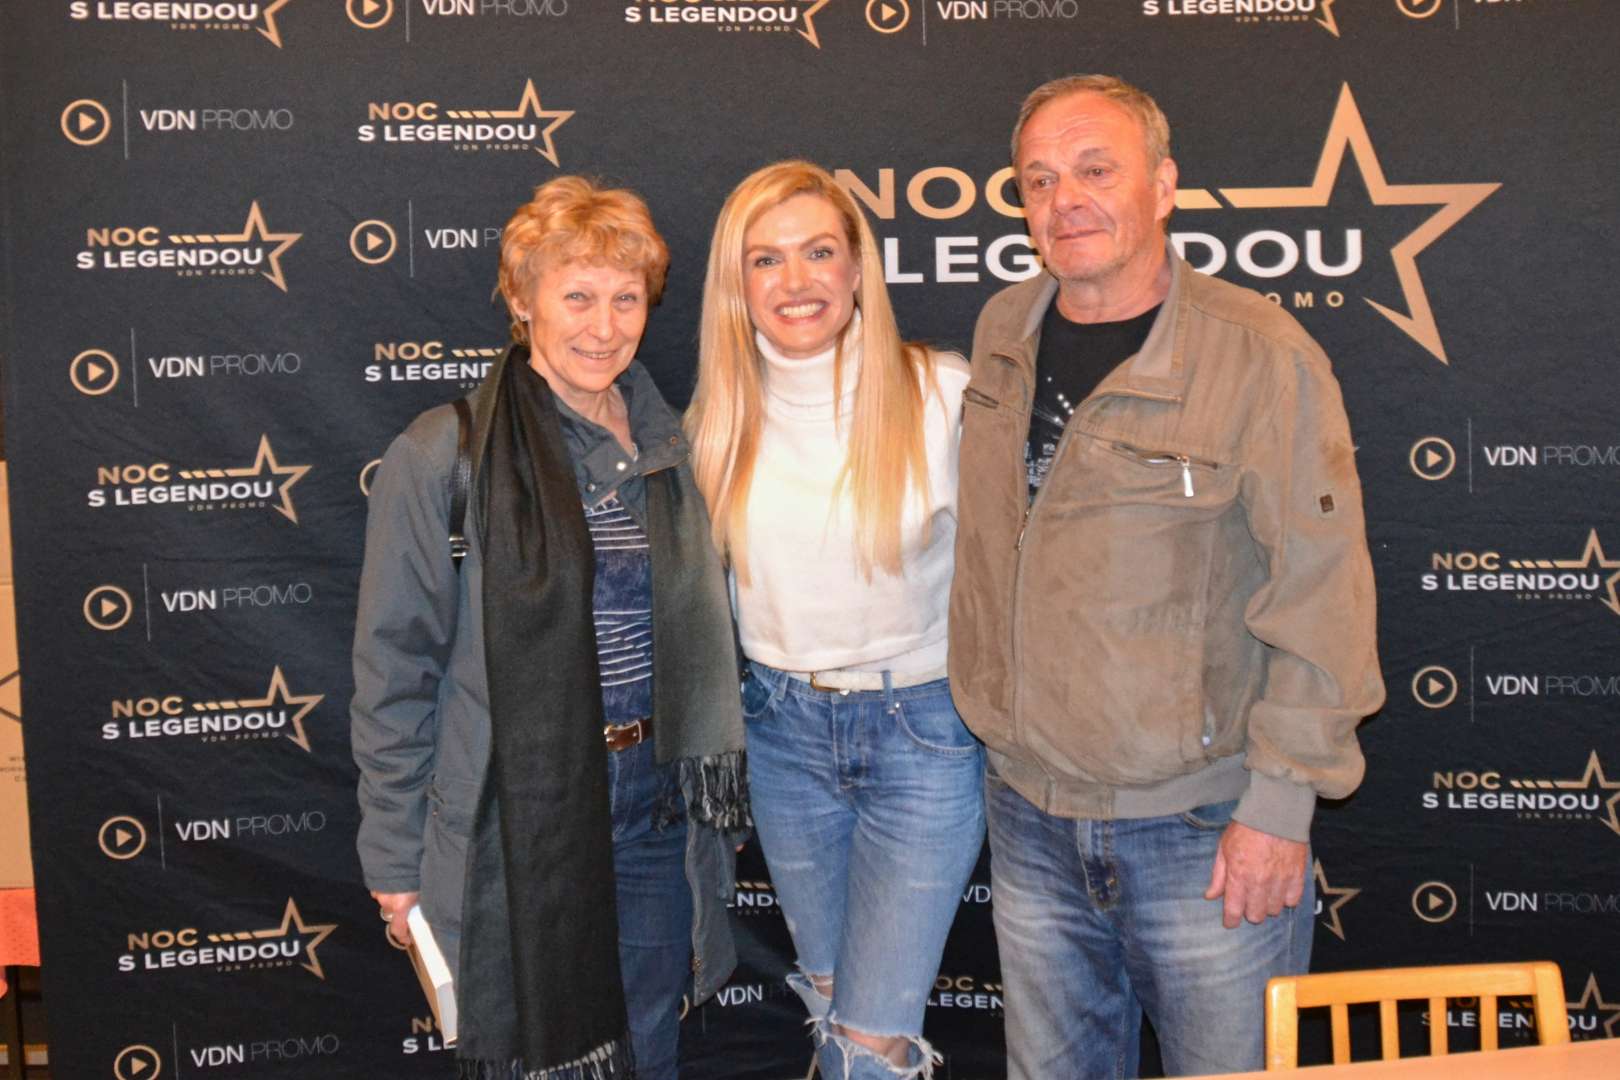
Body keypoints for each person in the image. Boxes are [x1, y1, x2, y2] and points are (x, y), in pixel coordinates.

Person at [949, 75, 1386, 1077]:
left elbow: (1323, 588)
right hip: (1027, 816)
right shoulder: (1004, 331)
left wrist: (1279, 807)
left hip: (1203, 834)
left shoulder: (1259, 356)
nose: (1066, 200)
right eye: (1039, 180)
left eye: (1095, 170)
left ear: (1164, 185)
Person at [351, 176, 748, 1080]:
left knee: (649, 1047)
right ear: (522, 301)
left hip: (655, 809)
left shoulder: (677, 447)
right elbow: (395, 671)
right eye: (577, 297)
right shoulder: (444, 454)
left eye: (625, 299)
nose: (604, 326)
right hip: (517, 813)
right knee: (541, 1056)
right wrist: (395, 857)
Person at [686, 160, 984, 1079]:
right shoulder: (716, 420)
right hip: (781, 735)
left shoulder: (943, 393)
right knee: (830, 996)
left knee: (873, 1035)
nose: (796, 281)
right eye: (766, 259)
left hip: (923, 732)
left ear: (859, 267)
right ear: (737, 283)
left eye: (819, 252)